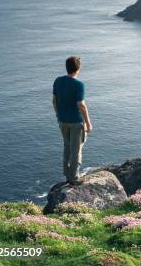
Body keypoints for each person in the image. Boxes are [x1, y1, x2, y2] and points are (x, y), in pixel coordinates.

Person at [52, 56, 93, 185]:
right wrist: (88, 122)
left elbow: (54, 101)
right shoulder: (79, 85)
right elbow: (81, 105)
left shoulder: (58, 81)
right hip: (76, 122)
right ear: (78, 68)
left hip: (62, 121)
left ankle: (67, 174)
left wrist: (58, 116)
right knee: (76, 150)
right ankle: (74, 178)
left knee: (67, 147)